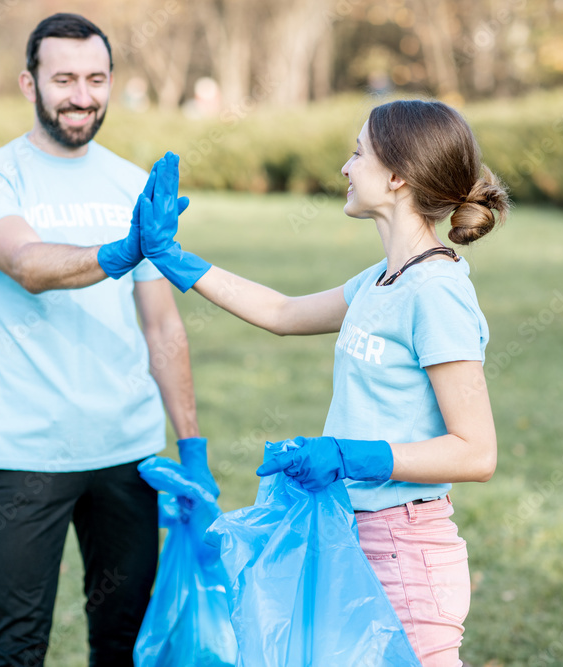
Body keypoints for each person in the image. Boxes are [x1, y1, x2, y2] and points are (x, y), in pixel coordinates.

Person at [136, 100, 508, 666]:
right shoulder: (384, 280)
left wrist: (346, 455)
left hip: (405, 556)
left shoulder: (436, 292)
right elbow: (284, 313)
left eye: (359, 152)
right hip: (351, 537)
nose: (346, 167)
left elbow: (476, 452)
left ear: (397, 175)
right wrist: (173, 257)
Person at [0, 13, 214, 667]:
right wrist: (123, 249)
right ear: (29, 82)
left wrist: (192, 447)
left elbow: (162, 324)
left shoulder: (131, 185)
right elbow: (28, 265)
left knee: (124, 646)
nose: (81, 95)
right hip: (28, 456)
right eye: (63, 78)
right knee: (15, 649)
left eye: (96, 78)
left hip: (128, 455)